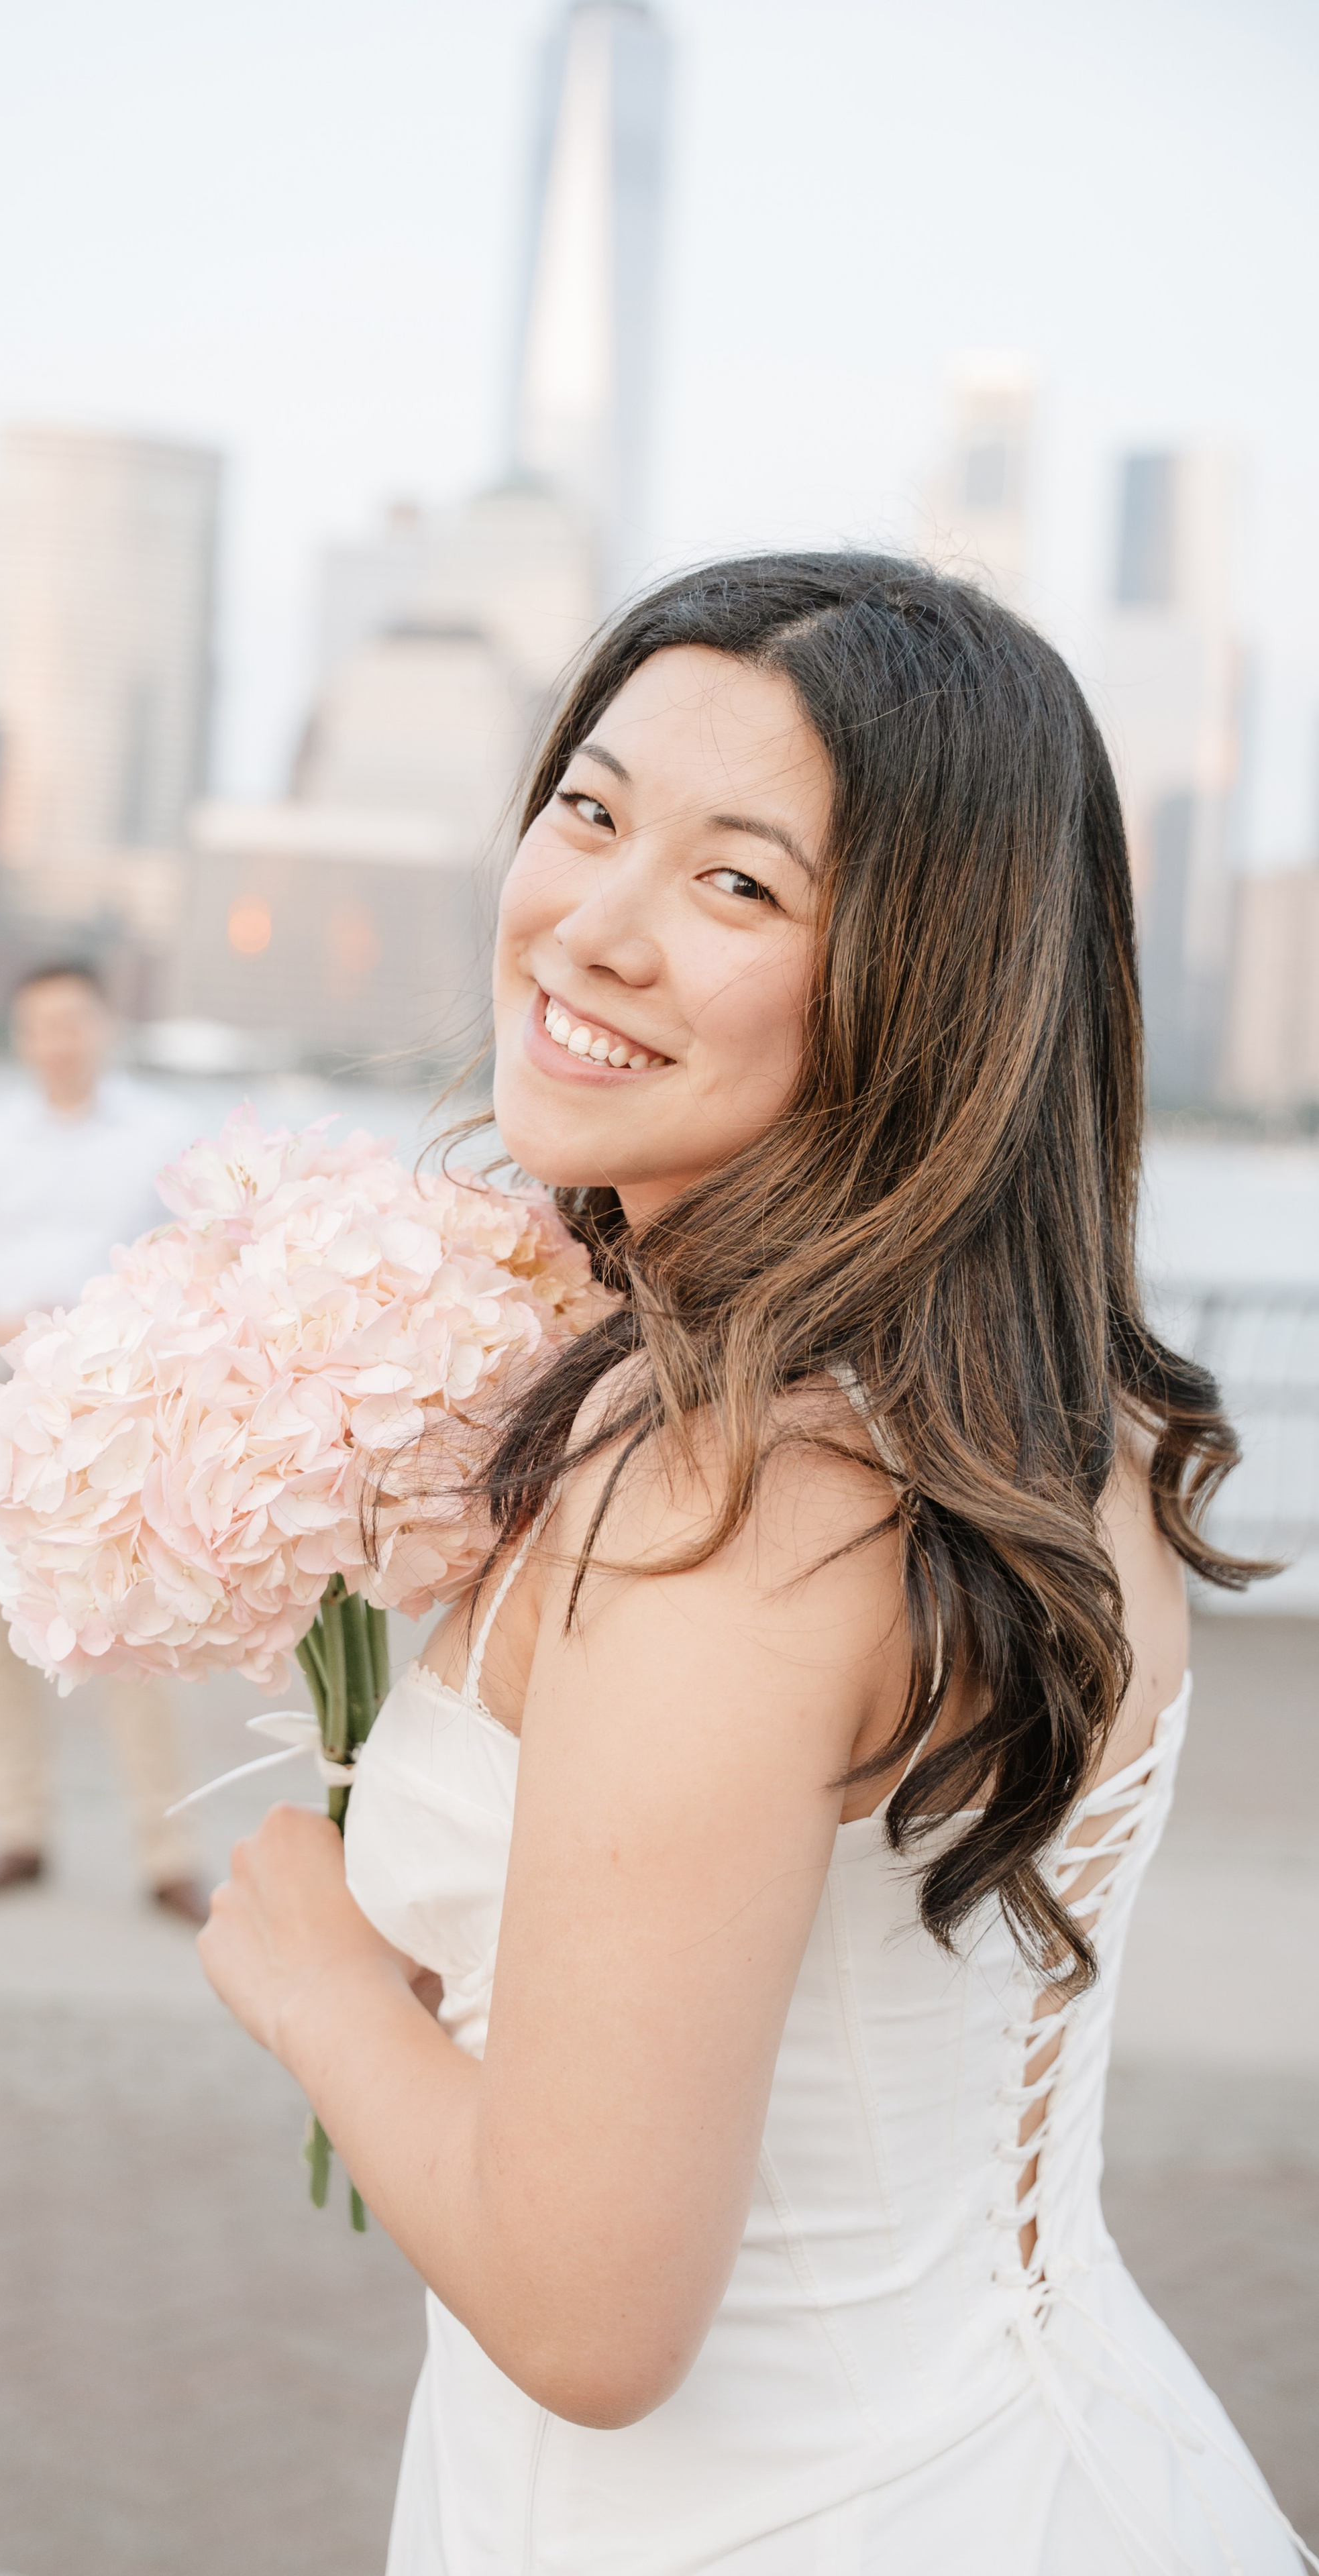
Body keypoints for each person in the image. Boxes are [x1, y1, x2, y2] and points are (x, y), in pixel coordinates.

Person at [197, 558, 1310, 2570]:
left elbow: (588, 2319)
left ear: (929, 984)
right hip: (1062, 2462)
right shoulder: (1060, 1421)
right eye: (590, 811)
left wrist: (318, 1982)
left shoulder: (740, 1496)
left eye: (738, 884)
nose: (593, 926)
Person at [0, 961, 207, 1925]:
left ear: (105, 1026)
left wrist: (90, 1335)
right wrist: (17, 1335)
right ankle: (17, 1833)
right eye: (41, 1024)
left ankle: (167, 1854)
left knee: (132, 1623)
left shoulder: (162, 1135)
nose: (60, 1040)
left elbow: (198, 1259)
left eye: (75, 1020)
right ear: (22, 1037)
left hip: (111, 1408)